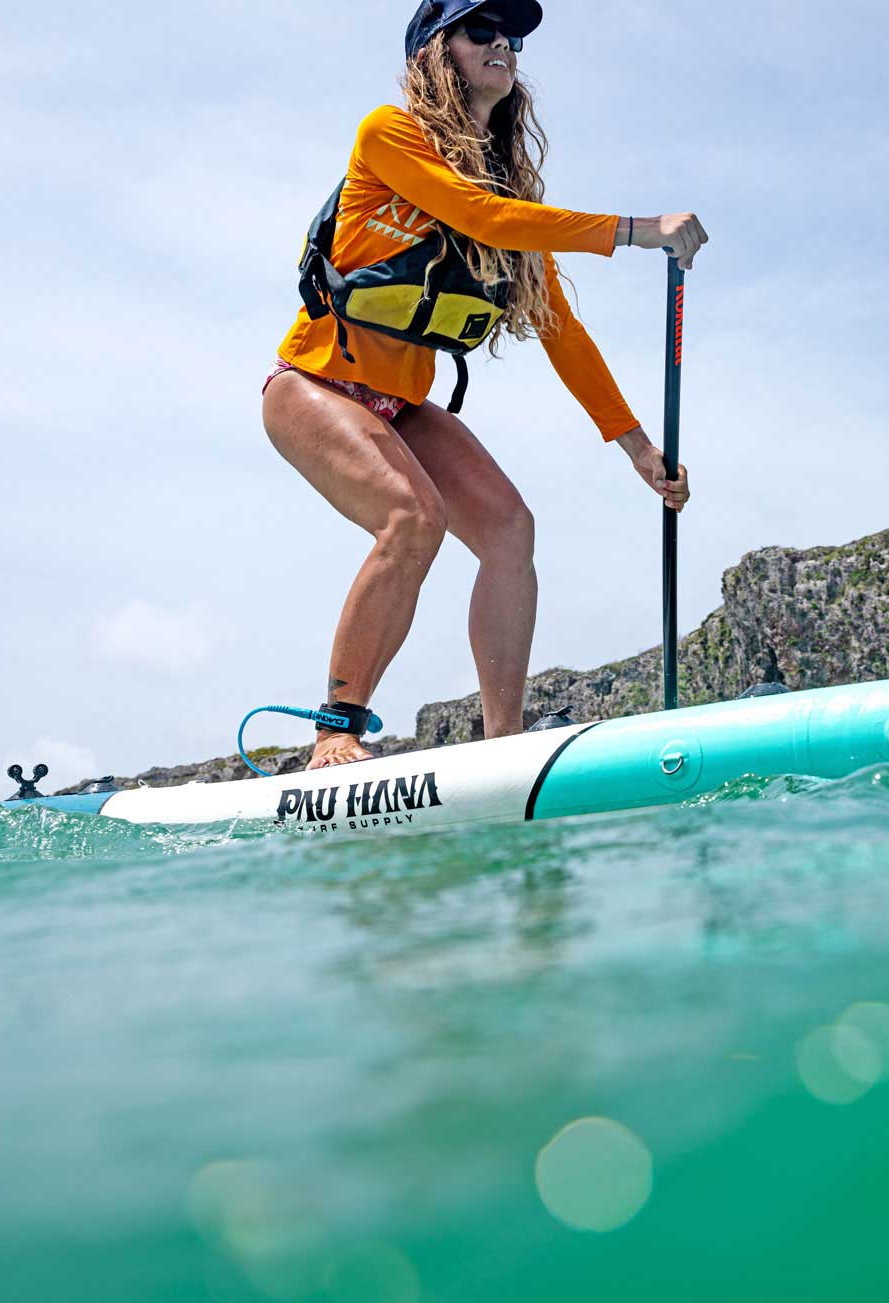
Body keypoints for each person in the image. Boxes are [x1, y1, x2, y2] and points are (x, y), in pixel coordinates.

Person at [262, 0, 707, 771]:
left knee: (508, 528)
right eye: (481, 31)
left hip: (400, 405)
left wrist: (637, 448)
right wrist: (638, 230)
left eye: (512, 36)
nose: (503, 44)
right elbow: (482, 217)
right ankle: (336, 730)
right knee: (412, 516)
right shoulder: (388, 133)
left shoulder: (511, 199)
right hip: (313, 384)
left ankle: (503, 748)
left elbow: (562, 330)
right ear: (438, 52)